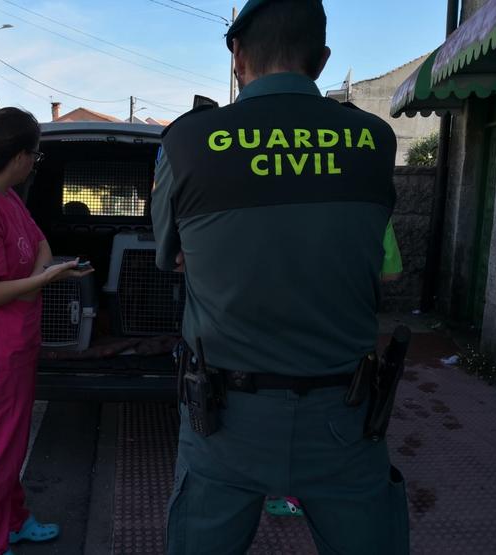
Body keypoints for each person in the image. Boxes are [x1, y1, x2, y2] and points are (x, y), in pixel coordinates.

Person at [151, 1, 409, 554]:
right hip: (345, 417)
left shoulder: (186, 143)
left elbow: (172, 256)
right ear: (321, 60)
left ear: (237, 55)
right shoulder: (374, 141)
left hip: (223, 420)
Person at [0, 107, 93, 555]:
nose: (35, 164)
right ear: (21, 155)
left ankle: (13, 521)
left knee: (9, 447)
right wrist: (40, 282)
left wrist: (36, 278)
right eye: (36, 156)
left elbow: (41, 242)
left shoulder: (6, 197)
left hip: (12, 346)